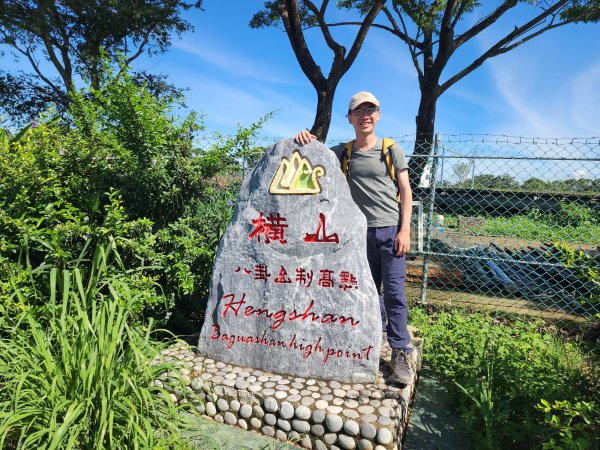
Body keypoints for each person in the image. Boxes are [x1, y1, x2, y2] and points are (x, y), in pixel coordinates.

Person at [295, 91, 414, 385]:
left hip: (390, 231)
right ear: (349, 118)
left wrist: (405, 229)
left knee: (395, 293)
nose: (365, 116)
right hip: (358, 233)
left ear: (378, 114)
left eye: (370, 110)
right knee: (366, 293)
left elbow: (406, 192)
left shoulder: (390, 149)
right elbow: (315, 155)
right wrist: (304, 138)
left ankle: (400, 352)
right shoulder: (343, 152)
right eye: (358, 111)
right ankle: (369, 339)